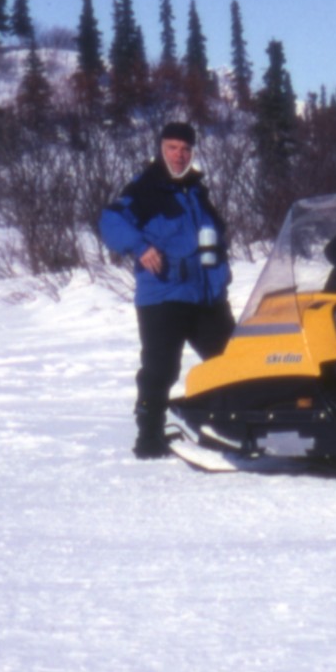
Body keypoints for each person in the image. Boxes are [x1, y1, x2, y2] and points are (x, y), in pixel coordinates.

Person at [98, 122, 234, 458]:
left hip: (207, 298)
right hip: (163, 296)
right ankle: (149, 438)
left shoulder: (196, 192)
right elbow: (109, 221)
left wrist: (221, 273)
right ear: (161, 149)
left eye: (185, 149)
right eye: (172, 148)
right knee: (161, 369)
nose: (179, 155)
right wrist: (139, 247)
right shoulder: (145, 189)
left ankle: (236, 429)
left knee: (231, 363)